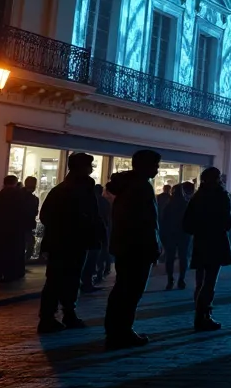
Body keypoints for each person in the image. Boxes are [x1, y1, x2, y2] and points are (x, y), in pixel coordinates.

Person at [37, 153, 104, 333]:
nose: (92, 169)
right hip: (66, 243)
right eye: (89, 166)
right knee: (59, 280)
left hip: (71, 242)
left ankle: (63, 314)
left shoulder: (77, 189)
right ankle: (51, 316)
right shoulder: (69, 190)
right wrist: (77, 226)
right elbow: (47, 216)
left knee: (67, 279)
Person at [104, 149, 162, 349]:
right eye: (155, 165)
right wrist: (153, 246)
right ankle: (122, 331)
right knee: (130, 291)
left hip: (126, 246)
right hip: (136, 248)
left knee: (123, 289)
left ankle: (116, 330)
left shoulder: (129, 185)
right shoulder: (140, 187)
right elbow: (145, 222)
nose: (157, 169)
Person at [182, 166, 231, 332]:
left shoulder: (197, 196)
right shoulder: (220, 195)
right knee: (209, 282)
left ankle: (200, 315)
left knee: (200, 282)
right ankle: (203, 316)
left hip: (200, 241)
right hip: (215, 241)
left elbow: (187, 223)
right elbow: (228, 222)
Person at [0, 176, 24, 283]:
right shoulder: (19, 198)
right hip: (13, 233)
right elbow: (22, 214)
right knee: (11, 254)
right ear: (15, 183)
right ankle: (9, 274)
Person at [159, 182, 190, 290]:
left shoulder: (169, 205)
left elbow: (163, 221)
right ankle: (181, 279)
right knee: (183, 257)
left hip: (171, 234)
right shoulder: (186, 204)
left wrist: (162, 235)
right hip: (183, 234)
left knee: (170, 258)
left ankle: (170, 279)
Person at [22, 176, 40, 263]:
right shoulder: (34, 199)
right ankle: (22, 262)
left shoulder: (19, 195)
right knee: (29, 244)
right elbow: (34, 212)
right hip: (27, 225)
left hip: (20, 225)